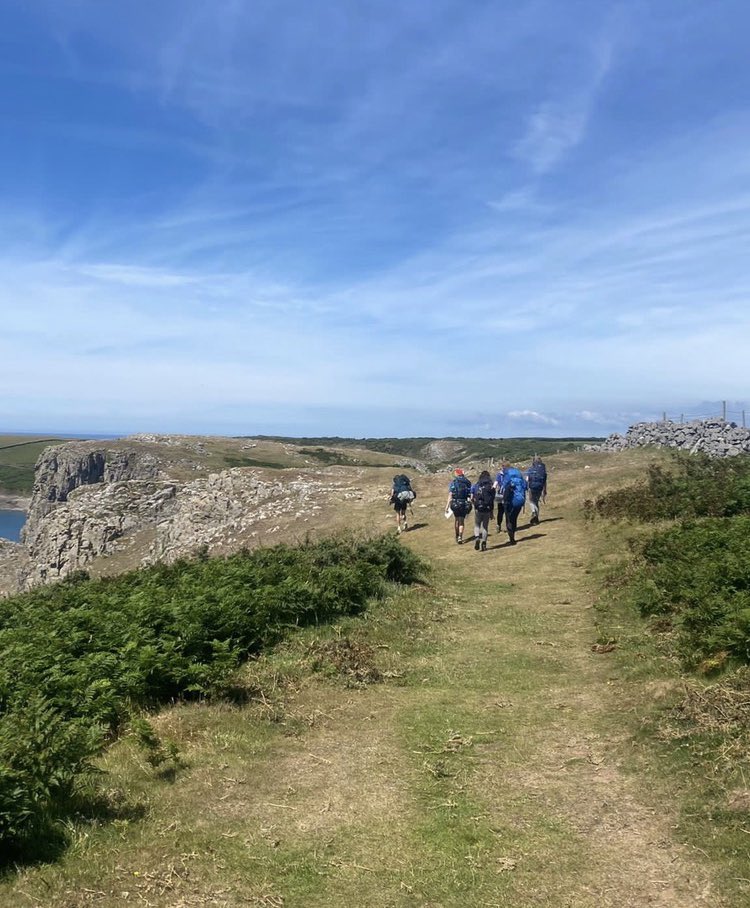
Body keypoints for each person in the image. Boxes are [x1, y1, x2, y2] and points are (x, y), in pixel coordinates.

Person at [500, 461, 527, 545]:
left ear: (504, 467)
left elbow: (503, 488)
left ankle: (511, 538)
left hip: (510, 501)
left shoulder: (507, 474)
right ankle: (513, 536)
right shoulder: (518, 473)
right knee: (514, 518)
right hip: (520, 500)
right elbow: (525, 486)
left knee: (509, 519)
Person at [446, 468, 472, 544]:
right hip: (464, 503)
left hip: (455, 503)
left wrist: (447, 506)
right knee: (462, 521)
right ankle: (460, 536)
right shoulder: (467, 482)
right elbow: (470, 495)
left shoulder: (454, 482)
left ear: (457, 474)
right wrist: (470, 504)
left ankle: (457, 536)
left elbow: (450, 494)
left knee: (457, 519)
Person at [471, 470, 495, 551]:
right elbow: (492, 499)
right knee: (485, 526)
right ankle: (484, 543)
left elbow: (472, 497)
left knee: (477, 525)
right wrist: (491, 512)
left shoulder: (476, 485)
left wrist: (475, 505)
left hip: (478, 508)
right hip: (487, 509)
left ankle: (477, 537)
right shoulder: (490, 486)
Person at [525, 455, 547, 526]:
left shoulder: (531, 469)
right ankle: (536, 519)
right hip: (540, 487)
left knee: (531, 501)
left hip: (532, 487)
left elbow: (527, 480)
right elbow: (544, 481)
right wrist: (544, 490)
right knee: (536, 502)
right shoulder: (543, 470)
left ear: (533, 461)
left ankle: (534, 511)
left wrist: (526, 487)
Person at [493, 464, 505, 532]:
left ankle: (498, 524)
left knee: (500, 511)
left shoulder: (499, 475)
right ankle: (509, 525)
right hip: (508, 495)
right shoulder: (510, 474)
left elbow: (495, 484)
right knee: (508, 511)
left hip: (500, 495)